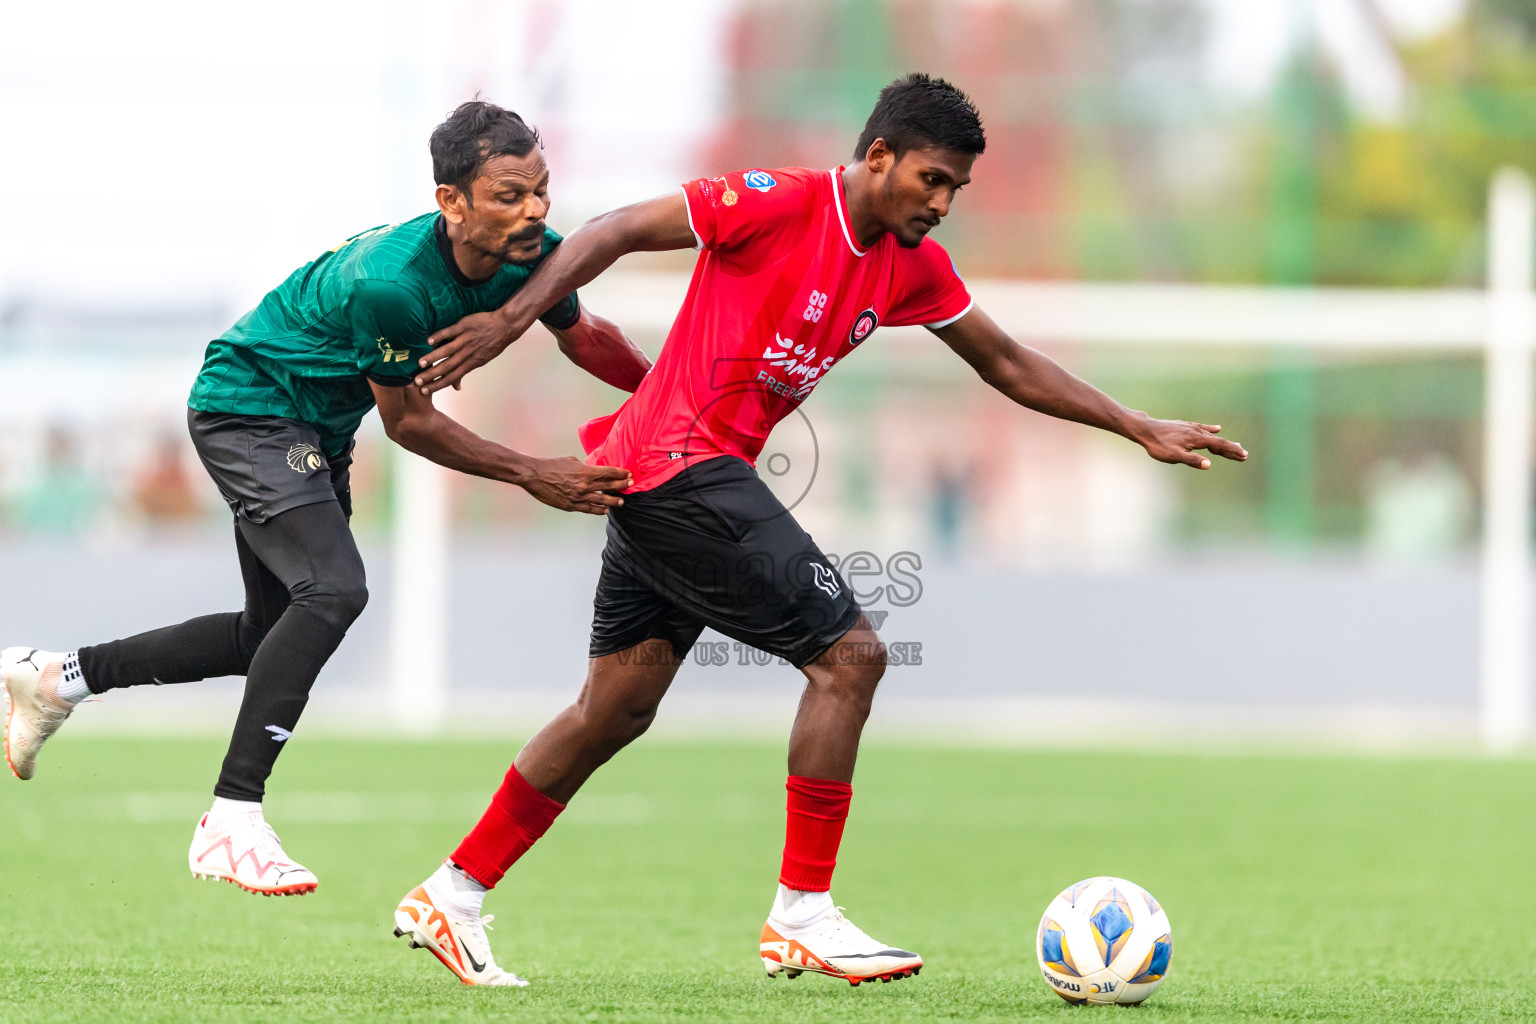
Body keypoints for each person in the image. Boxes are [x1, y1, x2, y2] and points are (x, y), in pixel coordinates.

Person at [391, 74, 1247, 988]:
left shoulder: (912, 264)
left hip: (658, 483)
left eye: (956, 188)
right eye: (931, 178)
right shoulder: (778, 202)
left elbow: (1005, 361)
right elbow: (610, 232)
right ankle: (802, 912)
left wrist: (1136, 425)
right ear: (878, 156)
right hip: (680, 467)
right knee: (852, 657)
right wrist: (514, 319)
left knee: (615, 709)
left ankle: (454, 891)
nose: (943, 201)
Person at [1, 100, 650, 899]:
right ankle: (232, 818)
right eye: (510, 195)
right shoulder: (394, 285)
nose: (536, 210)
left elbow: (583, 335)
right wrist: (534, 472)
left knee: (265, 635)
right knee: (335, 590)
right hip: (248, 405)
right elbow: (411, 424)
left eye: (542, 190)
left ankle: (60, 678)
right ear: (452, 202)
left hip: (314, 427)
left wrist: (669, 394)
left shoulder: (537, 254)